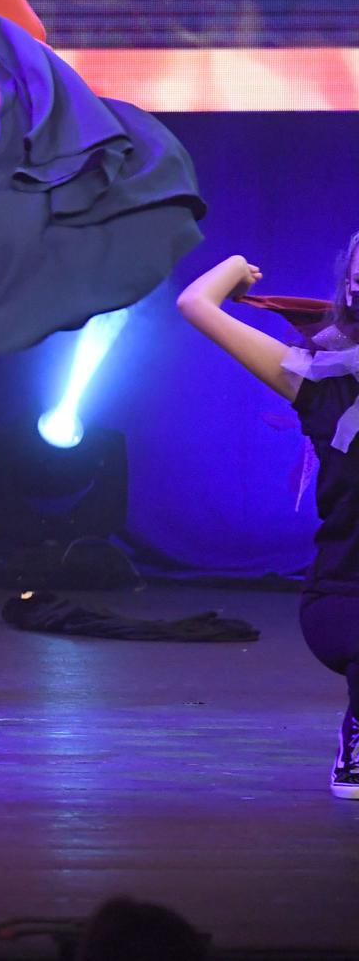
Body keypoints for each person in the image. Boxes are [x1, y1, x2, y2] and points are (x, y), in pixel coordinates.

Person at [178, 247, 359, 799]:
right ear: (350, 284)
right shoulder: (318, 380)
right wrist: (234, 268)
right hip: (346, 600)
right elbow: (195, 302)